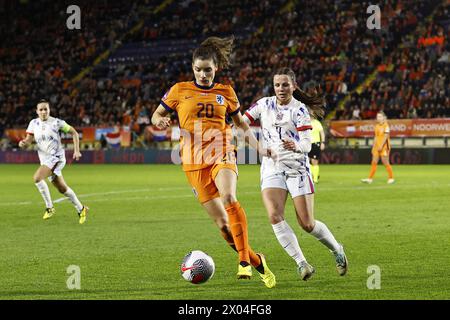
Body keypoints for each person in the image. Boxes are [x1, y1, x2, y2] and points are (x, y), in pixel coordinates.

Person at [151, 36, 276, 288]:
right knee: (224, 226)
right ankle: (257, 261)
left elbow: (241, 124)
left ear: (216, 68)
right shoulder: (179, 90)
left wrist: (259, 147)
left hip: (222, 150)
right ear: (193, 68)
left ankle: (243, 262)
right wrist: (159, 121)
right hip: (193, 162)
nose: (203, 74)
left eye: (208, 69)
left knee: (229, 197)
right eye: (198, 69)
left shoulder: (226, 92)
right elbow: (157, 114)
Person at [243, 68, 348, 281]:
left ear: (293, 85)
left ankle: (337, 249)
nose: (281, 88)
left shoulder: (299, 110)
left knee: (307, 223)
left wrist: (297, 145)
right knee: (274, 215)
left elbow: (308, 144)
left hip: (297, 169)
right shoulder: (264, 104)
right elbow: (241, 123)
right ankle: (302, 263)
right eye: (277, 85)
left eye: (285, 84)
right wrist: (260, 149)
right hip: (272, 168)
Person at [19, 100, 89, 224]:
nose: (43, 112)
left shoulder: (57, 122)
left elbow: (74, 133)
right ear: (37, 111)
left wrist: (76, 150)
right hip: (45, 160)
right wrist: (23, 143)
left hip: (56, 158)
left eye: (46, 109)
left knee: (37, 178)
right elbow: (29, 140)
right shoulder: (33, 123)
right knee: (62, 189)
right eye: (41, 109)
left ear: (49, 110)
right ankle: (81, 209)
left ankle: (49, 207)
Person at [361, 111, 395, 184]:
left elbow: (385, 137)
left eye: (380, 116)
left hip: (385, 146)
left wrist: (381, 146)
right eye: (377, 117)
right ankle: (370, 179)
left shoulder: (386, 126)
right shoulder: (376, 126)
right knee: (374, 161)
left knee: (385, 162)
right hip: (377, 146)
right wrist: (374, 146)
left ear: (383, 117)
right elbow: (376, 137)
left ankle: (391, 178)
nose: (378, 118)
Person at [304, 81, 326, 184]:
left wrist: (323, 143)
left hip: (316, 143)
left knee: (314, 161)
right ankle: (312, 176)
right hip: (307, 144)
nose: (310, 114)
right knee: (307, 162)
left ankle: (315, 178)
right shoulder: (304, 122)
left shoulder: (317, 123)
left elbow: (322, 133)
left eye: (311, 113)